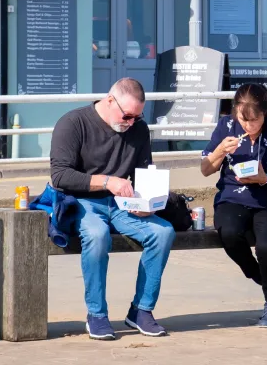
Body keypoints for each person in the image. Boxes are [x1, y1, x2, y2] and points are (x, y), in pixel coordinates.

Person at [50, 78, 175, 340]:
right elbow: (60, 176)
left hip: (123, 203)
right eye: (127, 116)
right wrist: (107, 181)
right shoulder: (73, 123)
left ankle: (141, 311)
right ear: (109, 100)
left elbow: (143, 173)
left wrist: (147, 201)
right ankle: (96, 314)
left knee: (163, 233)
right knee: (97, 235)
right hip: (81, 201)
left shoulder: (139, 129)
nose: (130, 122)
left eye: (137, 117)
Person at [201, 84, 267, 328]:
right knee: (229, 232)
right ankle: (262, 276)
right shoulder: (226, 126)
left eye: (254, 120)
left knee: (266, 246)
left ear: (265, 112)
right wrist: (220, 152)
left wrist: (265, 178)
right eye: (243, 120)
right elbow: (205, 169)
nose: (248, 126)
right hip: (232, 197)